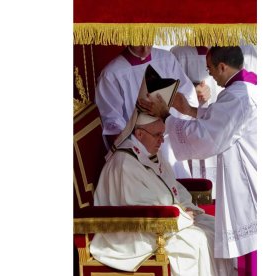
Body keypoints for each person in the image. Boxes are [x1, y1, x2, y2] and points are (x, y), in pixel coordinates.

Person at [90, 67, 236, 275]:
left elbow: (172, 186)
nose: (162, 141)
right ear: (139, 134)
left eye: (163, 135)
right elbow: (138, 207)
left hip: (171, 220)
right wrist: (180, 216)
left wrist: (186, 208)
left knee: (217, 230)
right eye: (157, 135)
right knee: (199, 243)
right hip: (136, 237)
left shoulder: (151, 151)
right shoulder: (124, 163)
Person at [139, 46, 257, 260]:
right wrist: (189, 110)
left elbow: (208, 137)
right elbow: (217, 118)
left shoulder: (238, 96)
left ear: (222, 66)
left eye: (210, 68)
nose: (208, 73)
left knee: (253, 252)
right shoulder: (245, 86)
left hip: (247, 182)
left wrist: (166, 116)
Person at [95, 45, 203, 178]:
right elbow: (112, 123)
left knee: (178, 192)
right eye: (138, 41)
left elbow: (188, 96)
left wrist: (169, 118)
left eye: (148, 40)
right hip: (139, 153)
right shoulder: (111, 74)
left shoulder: (167, 59)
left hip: (170, 146)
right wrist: (142, 138)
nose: (145, 48)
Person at [170, 46, 223, 198]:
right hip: (192, 126)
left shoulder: (233, 50)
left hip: (221, 127)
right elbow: (172, 88)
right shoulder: (179, 53)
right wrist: (193, 91)